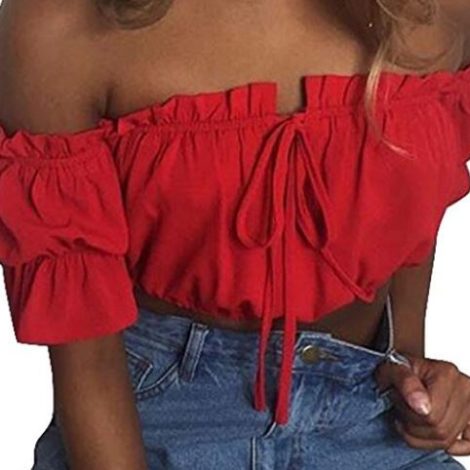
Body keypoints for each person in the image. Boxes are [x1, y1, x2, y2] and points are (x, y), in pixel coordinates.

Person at [1, 0, 470, 468]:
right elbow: (88, 363)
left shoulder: (435, 9)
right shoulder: (60, 26)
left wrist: (414, 372)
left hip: (373, 421)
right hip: (149, 430)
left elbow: (407, 189)